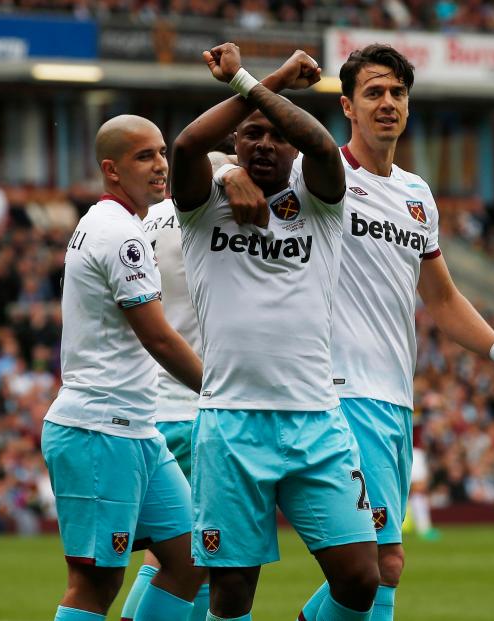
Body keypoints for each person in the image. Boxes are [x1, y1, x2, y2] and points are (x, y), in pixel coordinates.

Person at [288, 44, 494, 621]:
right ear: (348, 106)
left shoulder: (416, 195)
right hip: (341, 391)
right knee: (383, 562)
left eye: (397, 93)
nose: (387, 103)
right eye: (373, 92)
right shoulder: (320, 172)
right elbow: (250, 156)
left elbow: (444, 298)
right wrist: (231, 179)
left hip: (395, 399)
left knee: (375, 567)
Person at [172, 44, 380, 621]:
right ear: (233, 141)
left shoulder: (322, 203)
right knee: (233, 592)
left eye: (275, 135)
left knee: (361, 579)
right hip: (231, 422)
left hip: (316, 417)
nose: (264, 143)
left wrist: (250, 80)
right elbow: (186, 145)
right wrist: (268, 85)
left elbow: (318, 142)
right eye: (250, 134)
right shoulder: (203, 204)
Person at [41, 114, 205, 621]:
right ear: (112, 170)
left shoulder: (115, 226)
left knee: (191, 559)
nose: (161, 166)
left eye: (162, 153)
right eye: (145, 157)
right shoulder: (120, 235)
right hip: (99, 429)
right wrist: (221, 389)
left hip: (137, 429)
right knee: (95, 582)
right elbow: (157, 335)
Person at [119, 140, 237, 620]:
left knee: (176, 555)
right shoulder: (206, 217)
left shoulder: (144, 222)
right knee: (205, 556)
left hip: (154, 404)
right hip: (196, 405)